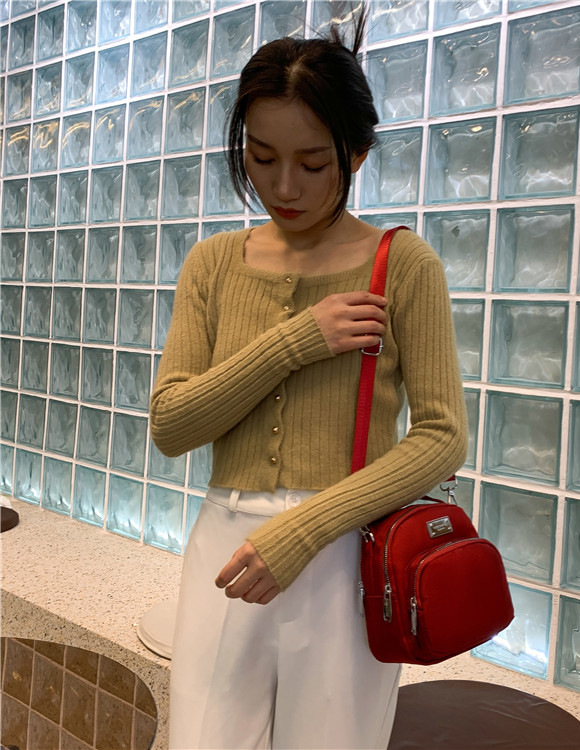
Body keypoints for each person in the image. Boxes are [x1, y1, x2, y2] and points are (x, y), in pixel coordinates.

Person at [149, 11, 467, 750]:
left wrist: (304, 531)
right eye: (261, 157)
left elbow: (442, 437)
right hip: (225, 552)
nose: (283, 185)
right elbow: (172, 425)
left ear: (356, 152)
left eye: (314, 163)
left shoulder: (404, 265)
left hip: (343, 556)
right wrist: (295, 342)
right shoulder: (213, 265)